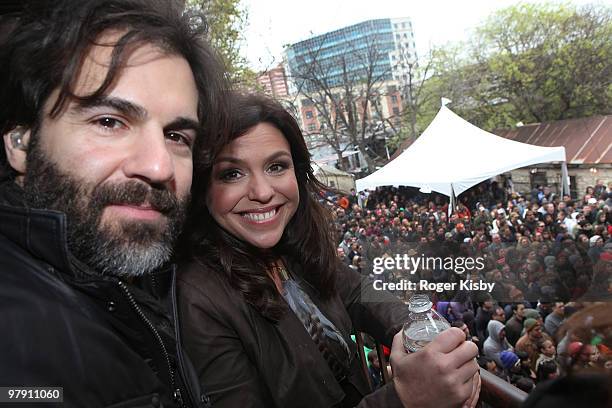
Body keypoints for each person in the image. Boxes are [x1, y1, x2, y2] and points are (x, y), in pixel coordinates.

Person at [177, 93, 480, 408]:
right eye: (231, 173)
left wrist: (422, 336)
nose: (263, 192)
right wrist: (404, 397)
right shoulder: (197, 304)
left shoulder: (292, 250)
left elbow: (360, 292)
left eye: (276, 166)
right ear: (201, 187)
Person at [0, 0, 228, 406]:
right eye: (110, 121)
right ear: (21, 142)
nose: (159, 166)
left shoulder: (141, 287)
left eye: (177, 136)